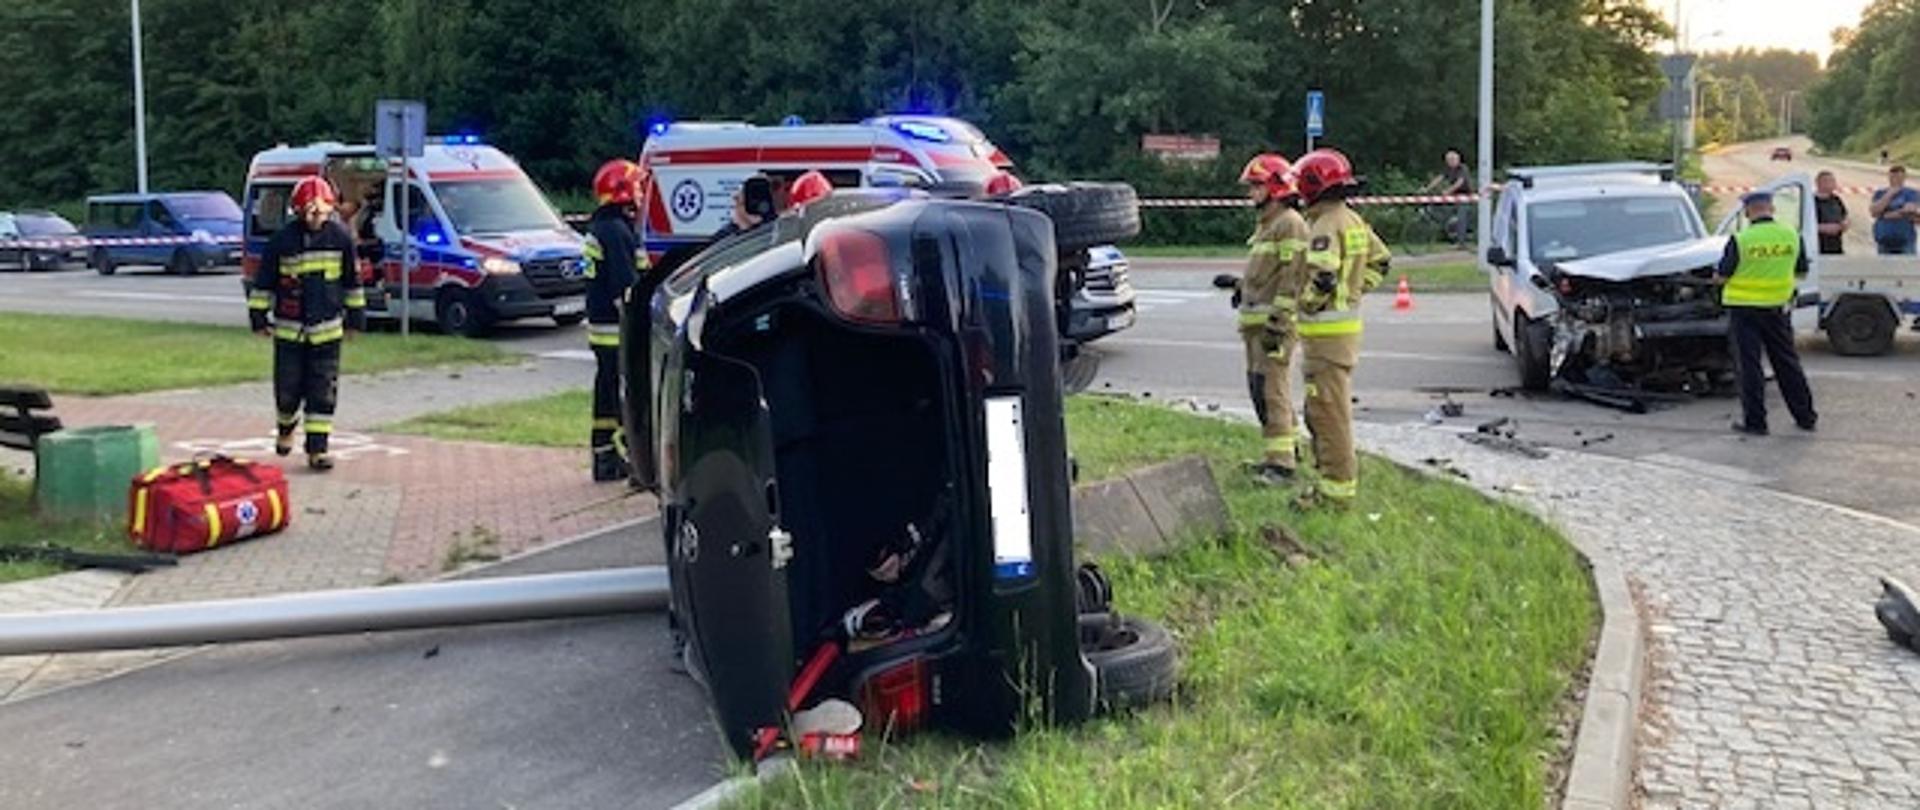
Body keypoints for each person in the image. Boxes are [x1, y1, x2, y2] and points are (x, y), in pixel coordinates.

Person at [1289, 148, 1390, 509]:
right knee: (1324, 410)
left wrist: (1308, 304)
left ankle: (1335, 496)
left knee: (1328, 415)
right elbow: (1382, 260)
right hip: (1342, 335)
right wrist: (1355, 292)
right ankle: (1328, 483)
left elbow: (1324, 276)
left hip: (1326, 339)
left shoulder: (1325, 223)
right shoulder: (1353, 220)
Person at [247, 176, 364, 471]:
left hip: (327, 332)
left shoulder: (340, 239)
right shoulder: (281, 242)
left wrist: (356, 318)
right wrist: (259, 318)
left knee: (323, 391)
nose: (316, 219)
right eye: (310, 213)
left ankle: (317, 450)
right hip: (290, 333)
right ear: (298, 211)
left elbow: (352, 282)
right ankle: (286, 427)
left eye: (321, 213)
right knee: (287, 391)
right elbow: (264, 284)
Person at [1232, 153, 1312, 486]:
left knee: (1272, 392)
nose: (1251, 193)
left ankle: (1282, 466)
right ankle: (1281, 451)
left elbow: (1293, 278)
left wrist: (1279, 323)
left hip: (1272, 328)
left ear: (1277, 187)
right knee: (1259, 389)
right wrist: (1239, 286)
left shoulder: (1290, 223)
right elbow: (1267, 274)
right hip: (1255, 327)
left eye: (1256, 186)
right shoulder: (1267, 224)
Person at [1717, 191, 1817, 436]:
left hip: (1744, 311)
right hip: (1777, 310)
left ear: (1748, 212)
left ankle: (1756, 422)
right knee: (1787, 363)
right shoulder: (1792, 235)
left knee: (1749, 366)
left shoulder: (1740, 239)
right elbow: (1801, 271)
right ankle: (1805, 416)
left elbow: (1722, 276)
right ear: (1771, 209)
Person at [583, 159, 650, 482]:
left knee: (606, 392)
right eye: (636, 186)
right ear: (622, 191)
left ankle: (605, 455)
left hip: (601, 329)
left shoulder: (602, 227)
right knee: (623, 393)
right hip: (615, 329)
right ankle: (631, 459)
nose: (640, 192)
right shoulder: (616, 232)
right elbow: (626, 288)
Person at [1869, 165, 1919, 255]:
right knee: (1885, 267)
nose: (1896, 180)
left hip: (1905, 239)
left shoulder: (1911, 193)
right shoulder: (1880, 193)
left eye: (1899, 177)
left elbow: (1909, 210)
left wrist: (1885, 215)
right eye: (1893, 177)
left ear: (1904, 178)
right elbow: (1874, 211)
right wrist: (1890, 194)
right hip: (1884, 238)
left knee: (1907, 267)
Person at [1813, 171, 1850, 256]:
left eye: (1833, 181)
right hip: (1818, 248)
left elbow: (1845, 215)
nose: (1832, 184)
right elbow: (1805, 224)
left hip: (1836, 247)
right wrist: (1824, 228)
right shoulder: (1811, 201)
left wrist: (1845, 223)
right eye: (1827, 181)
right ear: (1818, 183)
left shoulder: (1836, 199)